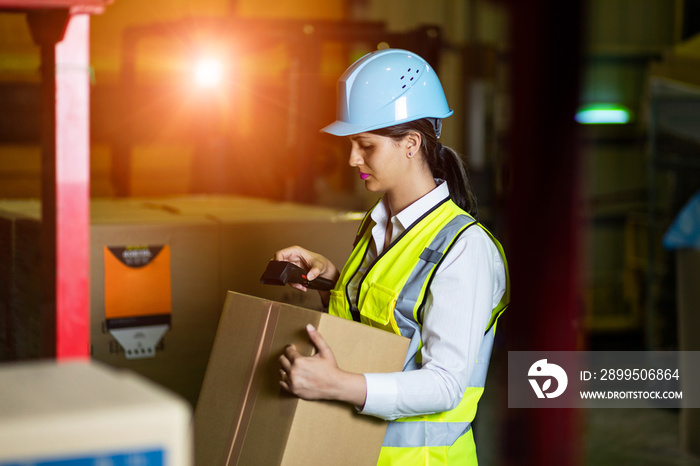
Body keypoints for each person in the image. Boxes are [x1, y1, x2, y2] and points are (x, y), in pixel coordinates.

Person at [275, 48, 510, 465]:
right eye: (351, 144)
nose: (352, 159)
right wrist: (332, 278)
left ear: (411, 144)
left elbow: (444, 385)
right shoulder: (379, 223)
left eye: (365, 145)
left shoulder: (465, 249)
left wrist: (337, 385)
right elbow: (389, 321)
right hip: (355, 452)